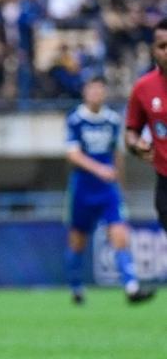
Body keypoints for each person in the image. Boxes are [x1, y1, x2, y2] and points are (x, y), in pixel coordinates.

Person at [64, 76, 154, 304]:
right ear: (85, 92)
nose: (96, 94)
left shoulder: (113, 120)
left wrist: (120, 184)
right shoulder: (76, 119)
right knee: (77, 242)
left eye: (100, 90)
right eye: (92, 89)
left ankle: (132, 288)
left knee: (120, 236)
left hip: (107, 190)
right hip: (83, 189)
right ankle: (76, 287)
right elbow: (73, 155)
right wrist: (99, 169)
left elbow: (117, 155)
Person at [126, 18, 167, 234]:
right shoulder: (143, 88)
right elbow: (131, 131)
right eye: (162, 46)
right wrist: (136, 145)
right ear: (153, 50)